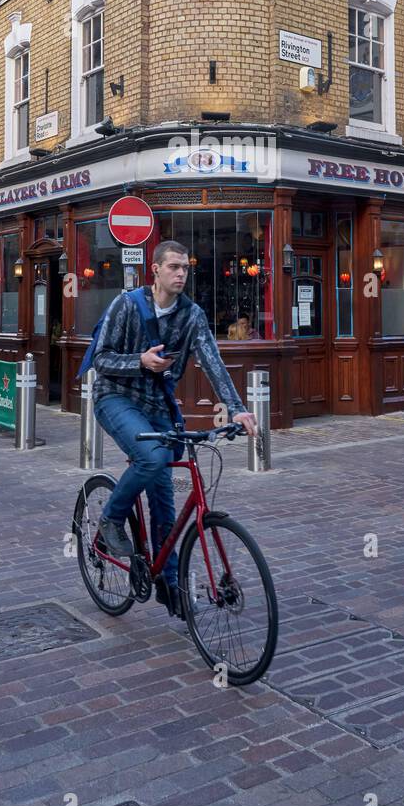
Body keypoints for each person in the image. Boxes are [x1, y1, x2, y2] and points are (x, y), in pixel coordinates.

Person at [92, 239, 257, 618]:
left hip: (158, 406)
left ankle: (170, 585)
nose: (181, 273)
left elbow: (212, 361)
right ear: (155, 270)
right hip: (115, 397)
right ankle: (111, 518)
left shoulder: (192, 315)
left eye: (185, 267)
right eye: (173, 267)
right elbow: (100, 358)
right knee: (151, 458)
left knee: (165, 502)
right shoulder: (126, 305)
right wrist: (140, 361)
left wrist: (236, 409)